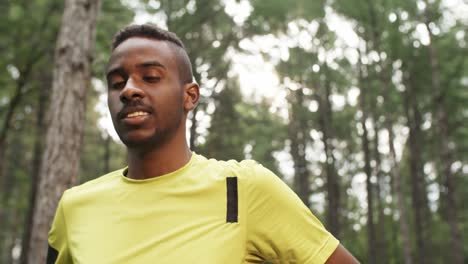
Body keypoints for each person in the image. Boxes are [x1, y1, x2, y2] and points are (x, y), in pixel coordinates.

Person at [47, 23, 359, 264]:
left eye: (151, 77)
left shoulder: (241, 189)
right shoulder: (74, 207)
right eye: (117, 83)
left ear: (190, 96)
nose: (129, 90)